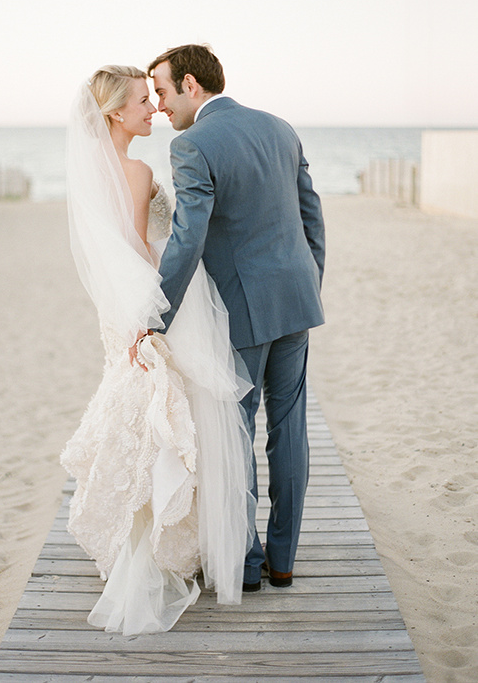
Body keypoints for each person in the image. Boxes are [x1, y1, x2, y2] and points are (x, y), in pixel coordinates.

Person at [60, 65, 254, 634]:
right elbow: (140, 246)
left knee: (137, 419)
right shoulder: (140, 169)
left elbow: (108, 250)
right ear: (116, 113)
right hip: (147, 302)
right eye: (143, 102)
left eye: (153, 98)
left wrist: (128, 317)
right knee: (165, 420)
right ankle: (159, 544)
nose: (152, 110)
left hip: (116, 310)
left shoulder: (91, 174)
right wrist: (159, 316)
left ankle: (128, 532)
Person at [138, 44, 326, 592]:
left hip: (240, 310)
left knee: (234, 434)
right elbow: (311, 214)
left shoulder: (192, 144)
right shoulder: (280, 127)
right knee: (290, 430)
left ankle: (246, 566)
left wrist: (158, 314)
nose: (161, 106)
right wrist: (309, 282)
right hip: (296, 300)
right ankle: (283, 559)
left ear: (191, 85)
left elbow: (187, 238)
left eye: (164, 92)